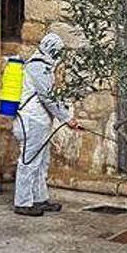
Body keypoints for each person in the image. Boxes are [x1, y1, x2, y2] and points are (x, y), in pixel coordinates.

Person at [13, 33, 81, 217]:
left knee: (41, 162)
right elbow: (48, 98)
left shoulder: (42, 66)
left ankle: (40, 199)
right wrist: (67, 119)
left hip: (39, 122)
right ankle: (23, 202)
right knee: (29, 161)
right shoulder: (38, 67)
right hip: (30, 120)